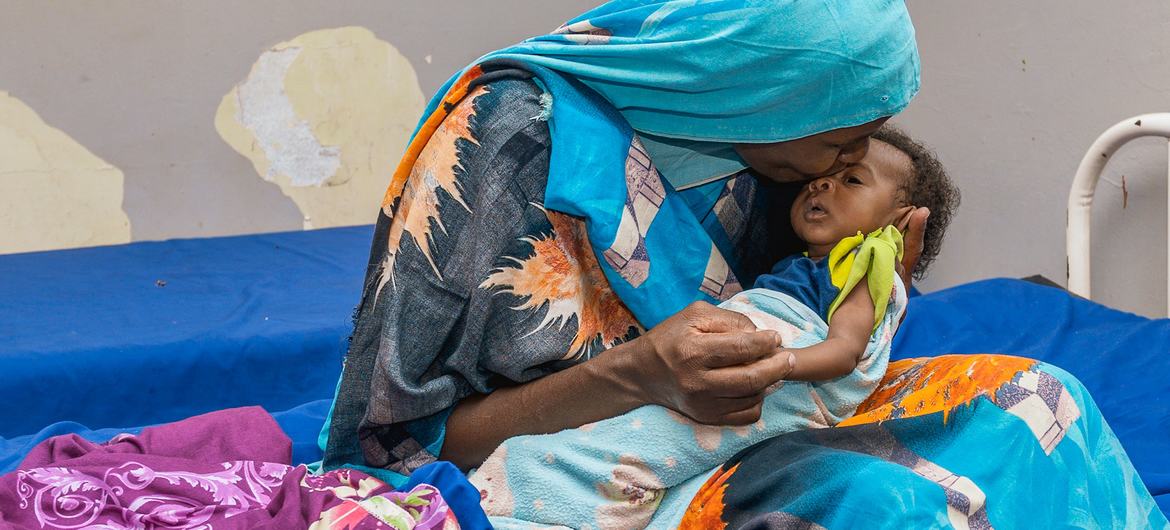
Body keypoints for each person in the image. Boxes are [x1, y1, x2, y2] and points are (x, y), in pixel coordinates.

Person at [757, 126, 959, 381]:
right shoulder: (797, 265)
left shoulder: (863, 267)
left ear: (901, 220)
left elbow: (844, 352)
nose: (819, 184)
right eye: (815, 178)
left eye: (852, 180)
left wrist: (768, 365)